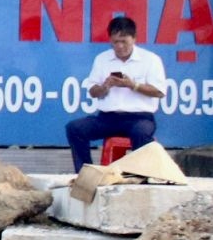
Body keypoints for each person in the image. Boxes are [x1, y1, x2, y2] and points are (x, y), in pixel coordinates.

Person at [65, 14, 166, 171]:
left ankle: (140, 175)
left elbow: (159, 91)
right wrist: (105, 86)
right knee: (75, 128)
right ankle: (85, 173)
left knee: (141, 133)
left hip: (139, 118)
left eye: (124, 41)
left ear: (134, 39)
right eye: (115, 42)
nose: (119, 46)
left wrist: (132, 85)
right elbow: (93, 91)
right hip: (108, 118)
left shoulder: (151, 60)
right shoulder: (102, 59)